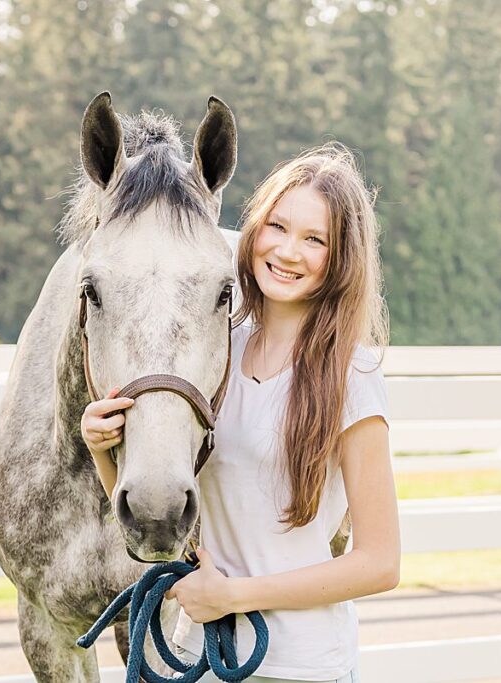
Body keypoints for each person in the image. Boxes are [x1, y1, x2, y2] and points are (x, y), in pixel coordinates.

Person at [80, 143, 399, 683]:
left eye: (315, 239)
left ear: (340, 259)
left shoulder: (352, 376)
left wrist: (234, 596)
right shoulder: (216, 356)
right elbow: (160, 521)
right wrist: (102, 449)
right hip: (202, 655)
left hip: (300, 664)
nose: (289, 251)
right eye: (277, 226)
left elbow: (380, 563)